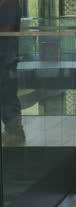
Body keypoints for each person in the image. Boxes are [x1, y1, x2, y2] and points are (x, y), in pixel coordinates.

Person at [0, 0, 24, 146]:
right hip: (4, 57)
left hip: (6, 58)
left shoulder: (10, 4)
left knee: (7, 96)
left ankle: (15, 135)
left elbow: (7, 28)